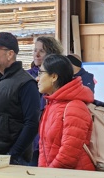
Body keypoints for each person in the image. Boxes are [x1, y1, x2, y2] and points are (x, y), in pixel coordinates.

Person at [0, 32, 40, 165]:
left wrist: (12, 155)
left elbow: (32, 124)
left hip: (11, 161)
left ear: (10, 54)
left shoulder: (26, 83)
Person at [37, 54, 95, 171]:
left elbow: (68, 156)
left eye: (41, 73)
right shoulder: (51, 104)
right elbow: (44, 148)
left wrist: (49, 174)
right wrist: (42, 173)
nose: (37, 78)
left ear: (54, 77)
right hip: (54, 177)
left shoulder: (75, 107)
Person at [27, 36, 63, 167]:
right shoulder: (26, 76)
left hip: (49, 137)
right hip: (30, 137)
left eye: (41, 51)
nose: (36, 54)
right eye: (35, 50)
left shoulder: (60, 78)